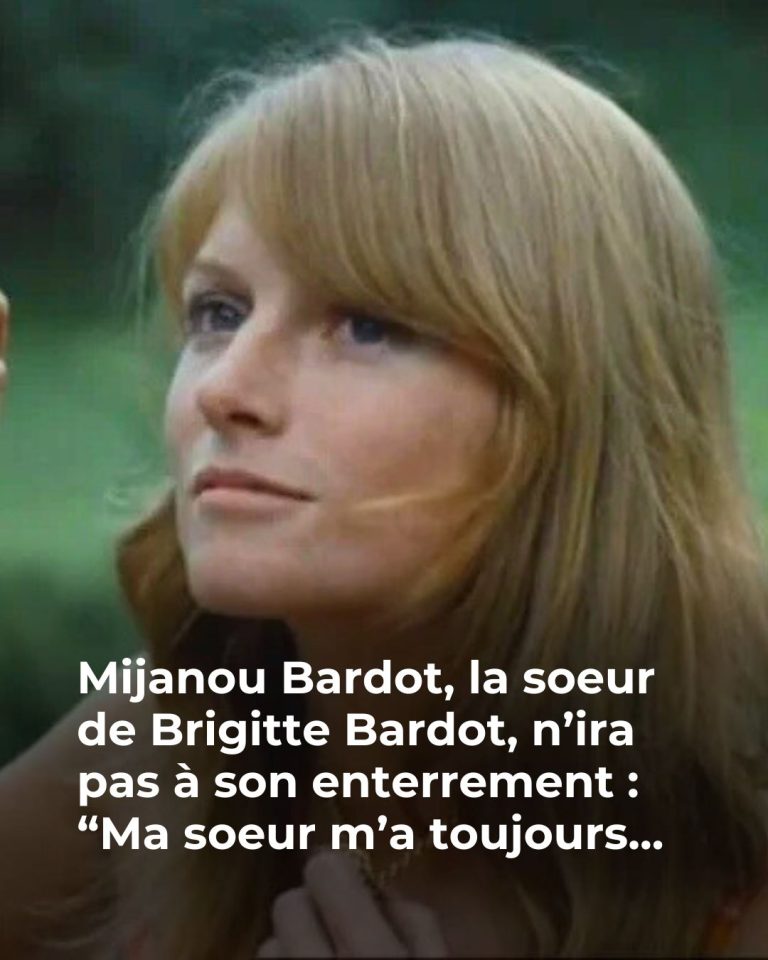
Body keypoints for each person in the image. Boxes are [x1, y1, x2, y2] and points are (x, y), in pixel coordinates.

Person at [2, 32, 768, 958]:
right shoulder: (171, 745)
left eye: (365, 326)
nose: (222, 387)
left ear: (576, 406)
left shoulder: (734, 859)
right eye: (219, 313)